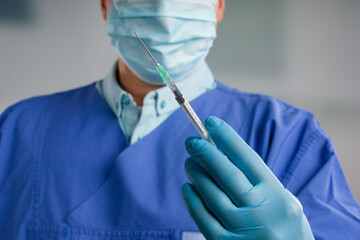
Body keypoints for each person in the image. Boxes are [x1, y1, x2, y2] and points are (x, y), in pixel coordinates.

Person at [0, 0, 359, 239]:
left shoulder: (288, 137)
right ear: (107, 5)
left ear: (218, 6)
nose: (163, 9)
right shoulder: (19, 132)